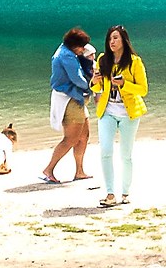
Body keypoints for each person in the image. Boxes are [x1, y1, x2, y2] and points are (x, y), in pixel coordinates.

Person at [91, 25, 147, 208]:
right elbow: (97, 89)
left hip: (129, 114)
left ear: (124, 40)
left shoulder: (134, 62)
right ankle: (109, 193)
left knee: (126, 155)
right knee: (105, 152)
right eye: (109, 39)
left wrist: (124, 84)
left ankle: (125, 192)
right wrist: (94, 81)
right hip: (107, 111)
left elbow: (143, 90)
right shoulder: (102, 59)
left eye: (115, 38)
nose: (112, 42)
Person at [42, 28, 94, 183]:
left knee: (84, 136)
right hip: (69, 99)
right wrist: (92, 86)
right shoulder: (67, 56)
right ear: (74, 45)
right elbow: (77, 79)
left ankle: (79, 171)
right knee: (71, 138)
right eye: (81, 47)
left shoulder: (65, 50)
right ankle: (48, 169)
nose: (83, 50)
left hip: (75, 97)